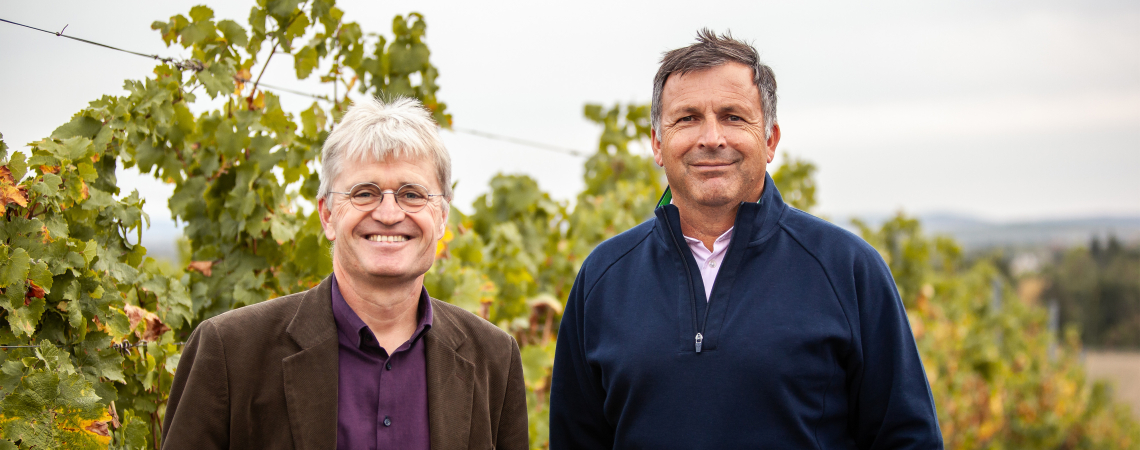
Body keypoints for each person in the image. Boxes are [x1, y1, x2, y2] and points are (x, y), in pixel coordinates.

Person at [549, 30, 943, 449]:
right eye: (688, 118)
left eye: (733, 116)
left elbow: (908, 439)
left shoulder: (846, 269)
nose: (712, 138)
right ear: (658, 144)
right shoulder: (603, 278)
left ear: (770, 139)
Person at [162, 97, 529, 450]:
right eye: (365, 193)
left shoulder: (494, 359)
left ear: (443, 216)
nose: (388, 214)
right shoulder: (230, 353)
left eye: (412, 194)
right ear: (327, 214)